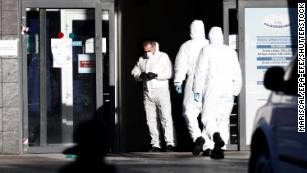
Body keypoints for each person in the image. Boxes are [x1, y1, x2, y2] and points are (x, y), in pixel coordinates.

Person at [193, 27, 242, 159]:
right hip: (228, 87)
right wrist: (236, 89)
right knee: (223, 119)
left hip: (213, 86)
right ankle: (217, 148)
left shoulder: (206, 50)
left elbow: (200, 73)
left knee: (208, 117)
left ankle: (215, 136)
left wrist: (196, 92)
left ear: (210, 36)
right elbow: (237, 71)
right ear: (221, 36)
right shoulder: (230, 51)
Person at [174, 20, 213, 156]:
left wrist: (178, 82)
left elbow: (181, 65)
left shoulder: (186, 46)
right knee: (208, 114)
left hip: (193, 79)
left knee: (189, 112)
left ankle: (198, 138)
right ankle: (208, 144)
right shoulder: (210, 45)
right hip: (210, 81)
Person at [131, 41, 176, 152]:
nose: (147, 53)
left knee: (165, 117)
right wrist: (140, 76)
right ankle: (155, 144)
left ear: (154, 47)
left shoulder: (163, 57)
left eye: (149, 51)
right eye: (145, 51)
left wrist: (156, 75)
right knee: (150, 119)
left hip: (161, 91)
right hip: (147, 92)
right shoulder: (142, 59)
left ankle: (170, 143)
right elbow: (134, 71)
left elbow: (170, 73)